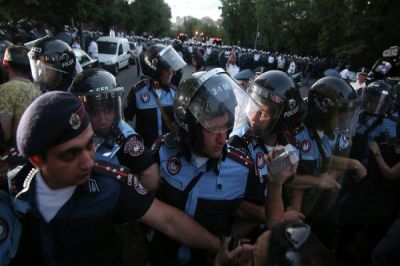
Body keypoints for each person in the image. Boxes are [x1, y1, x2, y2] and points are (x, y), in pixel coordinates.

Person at [10, 91, 222, 265]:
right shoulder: (15, 195)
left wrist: (220, 246)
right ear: (38, 160)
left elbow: (169, 221)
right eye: (70, 154)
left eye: (90, 145)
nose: (87, 162)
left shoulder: (111, 182)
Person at [150, 68, 259, 266]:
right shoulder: (162, 151)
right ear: (188, 126)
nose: (223, 138)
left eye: (227, 126)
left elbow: (255, 214)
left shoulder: (242, 169)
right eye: (213, 128)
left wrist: (230, 241)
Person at [69, 68, 160, 191]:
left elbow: (152, 177)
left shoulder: (125, 136)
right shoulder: (69, 132)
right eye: (94, 112)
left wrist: (120, 195)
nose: (103, 120)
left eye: (108, 110)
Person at [124, 44, 187, 147]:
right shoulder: (136, 92)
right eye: (166, 69)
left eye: (170, 68)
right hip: (146, 153)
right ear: (155, 71)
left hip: (169, 151)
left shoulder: (174, 93)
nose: (170, 72)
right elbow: (124, 123)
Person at [0, 45, 41, 148]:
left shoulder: (4, 90)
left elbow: (5, 134)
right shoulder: (37, 89)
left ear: (5, 64)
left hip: (15, 156)